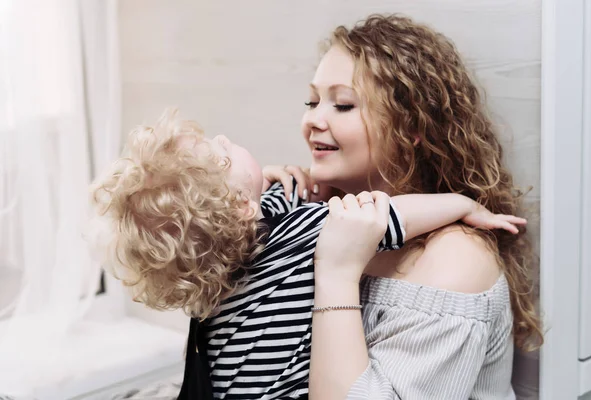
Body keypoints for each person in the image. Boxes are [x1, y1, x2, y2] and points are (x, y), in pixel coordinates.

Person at [89, 109, 525, 400]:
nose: (224, 138)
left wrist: (265, 186)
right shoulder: (306, 235)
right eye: (222, 157)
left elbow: (263, 209)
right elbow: (389, 215)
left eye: (342, 104)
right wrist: (463, 204)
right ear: (242, 209)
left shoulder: (221, 261)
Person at [281, 14, 543, 399]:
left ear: (413, 127)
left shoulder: (455, 260)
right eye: (312, 101)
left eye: (342, 105)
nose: (312, 120)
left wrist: (336, 275)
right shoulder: (322, 216)